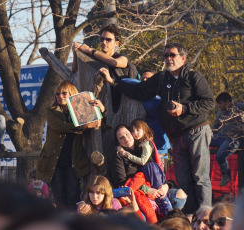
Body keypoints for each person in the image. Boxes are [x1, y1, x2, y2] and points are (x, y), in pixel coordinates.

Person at [103, 42, 215, 214]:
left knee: (200, 177)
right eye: (165, 55)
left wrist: (183, 109)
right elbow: (139, 90)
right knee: (183, 180)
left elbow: (209, 103)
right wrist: (113, 82)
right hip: (176, 137)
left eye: (172, 55)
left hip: (196, 131)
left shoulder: (194, 77)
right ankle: (191, 218)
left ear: (183, 58)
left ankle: (206, 216)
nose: (168, 58)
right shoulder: (161, 78)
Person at [36, 80, 104, 210]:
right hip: (54, 161)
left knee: (73, 196)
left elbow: (99, 123)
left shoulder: (82, 109)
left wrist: (102, 109)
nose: (60, 96)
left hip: (73, 161)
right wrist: (83, 126)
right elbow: (60, 126)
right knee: (59, 197)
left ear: (72, 94)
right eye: (57, 93)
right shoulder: (51, 111)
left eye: (64, 93)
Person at [111, 124, 170, 223]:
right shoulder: (119, 157)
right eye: (121, 138)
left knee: (180, 196)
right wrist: (147, 190)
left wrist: (166, 186)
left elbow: (158, 174)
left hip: (157, 189)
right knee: (143, 217)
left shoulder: (143, 149)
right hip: (137, 194)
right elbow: (123, 184)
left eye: (127, 134)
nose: (126, 138)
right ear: (118, 142)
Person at [72, 24, 137, 112]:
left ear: (116, 43)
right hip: (93, 108)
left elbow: (114, 62)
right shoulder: (93, 58)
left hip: (120, 110)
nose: (104, 42)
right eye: (102, 39)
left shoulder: (122, 56)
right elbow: (75, 72)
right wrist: (75, 53)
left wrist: (90, 50)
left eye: (108, 39)